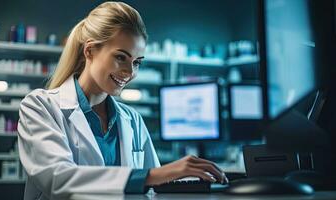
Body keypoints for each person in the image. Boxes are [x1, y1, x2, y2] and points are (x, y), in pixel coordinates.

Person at [17, 2, 228, 200]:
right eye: (121, 57)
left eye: (136, 62)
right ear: (89, 50)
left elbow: (154, 190)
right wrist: (152, 175)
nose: (130, 72)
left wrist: (194, 181)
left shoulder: (132, 120)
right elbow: (58, 179)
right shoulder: (40, 106)